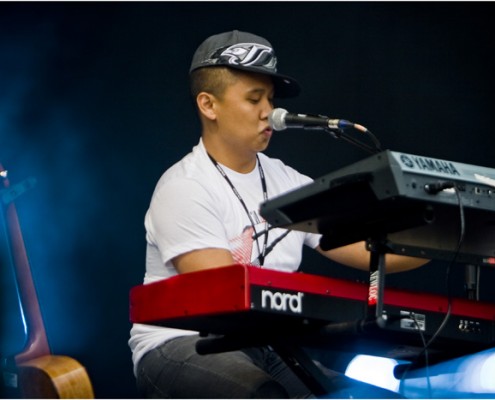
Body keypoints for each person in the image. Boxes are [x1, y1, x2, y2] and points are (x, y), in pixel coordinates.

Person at [129, 30, 427, 398]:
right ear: (209, 105)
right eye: (254, 99)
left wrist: (445, 237)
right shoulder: (184, 186)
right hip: (179, 345)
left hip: (267, 345)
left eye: (269, 98)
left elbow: (369, 248)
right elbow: (221, 298)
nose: (269, 111)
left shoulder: (289, 181)